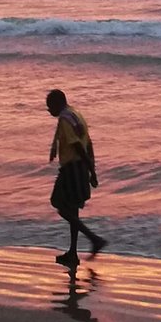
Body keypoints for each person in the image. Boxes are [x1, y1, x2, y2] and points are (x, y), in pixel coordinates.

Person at [46, 87, 105, 266]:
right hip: (80, 167)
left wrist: (91, 171)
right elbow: (89, 143)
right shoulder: (76, 115)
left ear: (58, 103)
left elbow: (79, 146)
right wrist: (91, 169)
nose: (49, 111)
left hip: (72, 168)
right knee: (72, 210)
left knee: (58, 203)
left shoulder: (65, 119)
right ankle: (73, 253)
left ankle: (94, 238)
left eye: (50, 107)